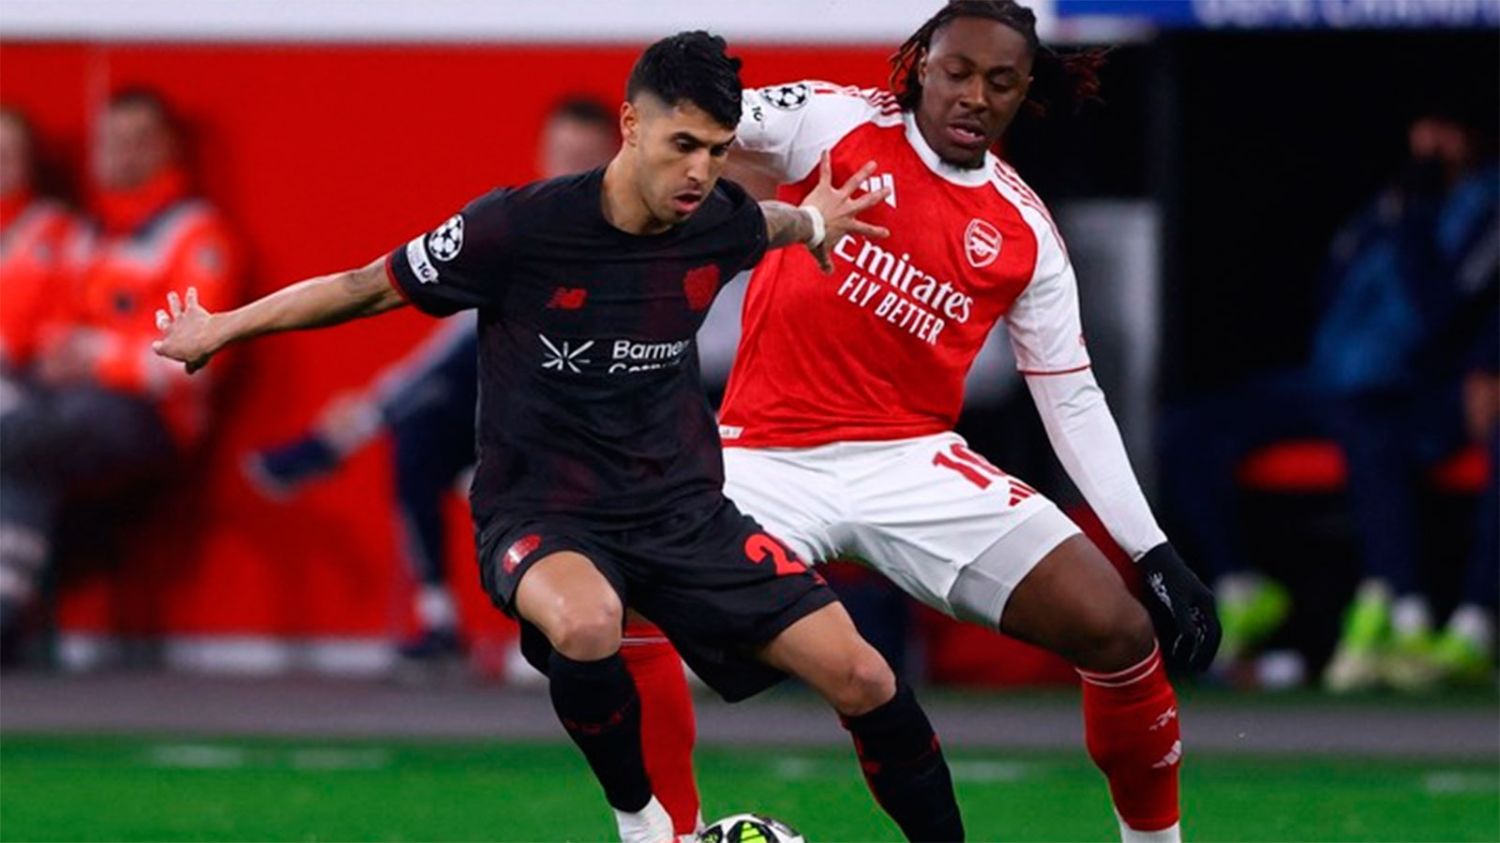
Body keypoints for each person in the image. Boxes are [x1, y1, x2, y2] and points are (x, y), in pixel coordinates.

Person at [154, 32, 965, 843]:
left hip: (683, 513)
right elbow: (365, 286)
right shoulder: (517, 227)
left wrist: (816, 221)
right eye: (683, 144)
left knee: (864, 673)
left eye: (718, 151)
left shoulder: (716, 219)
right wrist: (221, 327)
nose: (699, 170)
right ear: (631, 125)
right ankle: (644, 823)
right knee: (586, 622)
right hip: (544, 512)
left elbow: (770, 222)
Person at [624, 4, 1222, 841]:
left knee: (1117, 629)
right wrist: (696, 92)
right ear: (921, 69)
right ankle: (662, 836)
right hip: (763, 455)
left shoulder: (1023, 231)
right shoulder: (834, 121)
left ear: (1024, 92)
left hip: (912, 462)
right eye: (958, 72)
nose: (975, 95)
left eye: (1000, 82)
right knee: (632, 596)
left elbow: (1072, 398)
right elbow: (700, 125)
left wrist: (1150, 549)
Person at [243, 97, 620, 668]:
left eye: (584, 158)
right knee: (421, 428)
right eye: (561, 156)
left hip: (601, 415)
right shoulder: (525, 235)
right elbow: (449, 343)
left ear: (614, 160)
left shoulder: (639, 237)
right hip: (522, 413)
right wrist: (380, 400)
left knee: (475, 352)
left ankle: (340, 441)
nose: (569, 172)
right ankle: (437, 616)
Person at [1160, 112, 1498, 691]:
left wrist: (1417, 216)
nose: (1430, 144)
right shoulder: (1386, 204)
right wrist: (1401, 210)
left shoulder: (1482, 207)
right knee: (1190, 429)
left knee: (1369, 432)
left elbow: (1443, 309)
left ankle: (1405, 613)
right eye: (1424, 130)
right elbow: (1334, 288)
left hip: (1413, 390)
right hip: (1331, 380)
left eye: (1446, 131)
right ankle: (1241, 584)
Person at [0, 90, 241, 642]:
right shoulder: (90, 235)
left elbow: (201, 358)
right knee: (19, 433)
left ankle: (7, 612)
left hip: (150, 414)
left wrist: (97, 356)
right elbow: (42, 330)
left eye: (137, 140)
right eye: (111, 141)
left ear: (167, 147)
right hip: (62, 401)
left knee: (19, 437)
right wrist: (60, 347)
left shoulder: (195, 234)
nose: (121, 153)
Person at [0, 107, 77, 635]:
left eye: (7, 152)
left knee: (21, 441)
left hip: (30, 385)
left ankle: (6, 604)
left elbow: (70, 325)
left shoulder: (59, 231)